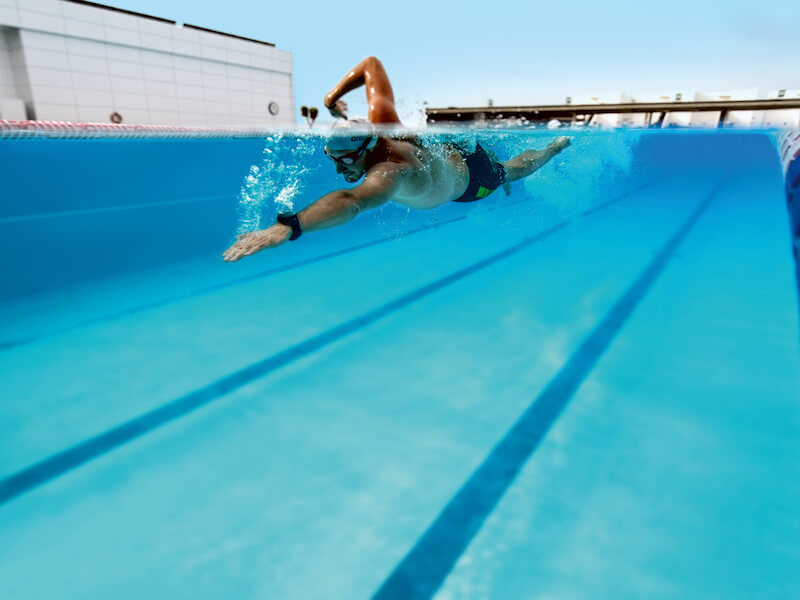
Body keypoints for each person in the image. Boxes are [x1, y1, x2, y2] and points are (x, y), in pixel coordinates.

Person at [223, 56, 570, 262]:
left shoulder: (391, 172)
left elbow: (351, 201)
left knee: (509, 173)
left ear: (367, 148)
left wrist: (290, 226)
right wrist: (332, 98)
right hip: (451, 148)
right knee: (478, 149)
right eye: (331, 158)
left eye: (344, 161)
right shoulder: (383, 123)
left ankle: (552, 148)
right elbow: (372, 65)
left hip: (472, 180)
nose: (339, 169)